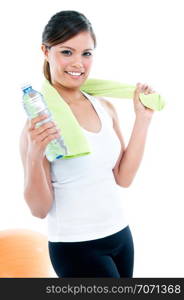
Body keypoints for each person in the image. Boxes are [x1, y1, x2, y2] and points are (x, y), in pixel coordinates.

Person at [19, 10, 155, 278]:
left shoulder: (103, 106)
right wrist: (34, 156)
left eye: (86, 53)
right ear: (46, 52)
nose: (78, 63)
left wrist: (142, 119)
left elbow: (123, 177)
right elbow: (38, 209)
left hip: (120, 236)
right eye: (66, 52)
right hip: (76, 246)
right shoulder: (40, 123)